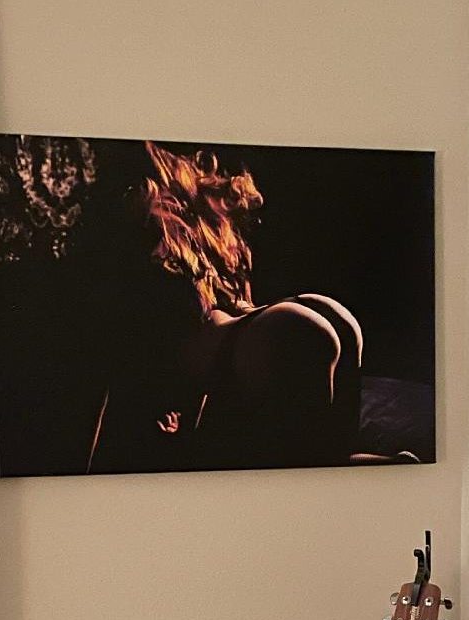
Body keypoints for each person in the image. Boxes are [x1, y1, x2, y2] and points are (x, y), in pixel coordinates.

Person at [88, 141, 363, 473]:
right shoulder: (192, 216)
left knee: (315, 469)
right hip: (263, 325)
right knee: (334, 461)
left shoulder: (161, 221)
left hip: (238, 340)